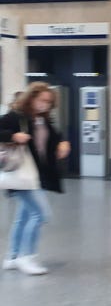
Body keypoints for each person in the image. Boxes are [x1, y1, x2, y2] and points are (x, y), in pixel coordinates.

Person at [0, 82, 70, 276]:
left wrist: (63, 143)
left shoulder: (42, 119)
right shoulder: (15, 117)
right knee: (41, 214)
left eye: (49, 102)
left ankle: (12, 257)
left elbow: (55, 137)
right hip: (21, 175)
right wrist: (13, 135)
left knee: (23, 217)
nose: (45, 104)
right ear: (32, 98)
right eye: (42, 100)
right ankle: (26, 257)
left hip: (35, 176)